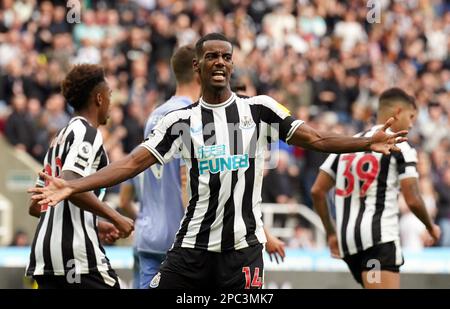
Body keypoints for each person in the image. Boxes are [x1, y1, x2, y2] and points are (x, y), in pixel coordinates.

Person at [30, 33, 408, 289]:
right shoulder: (179, 121)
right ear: (197, 66)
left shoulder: (260, 110)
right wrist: (73, 184)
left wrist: (364, 141)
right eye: (211, 56)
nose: (220, 63)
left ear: (232, 64)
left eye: (226, 57)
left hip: (243, 250)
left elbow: (318, 138)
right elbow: (132, 163)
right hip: (192, 248)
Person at [119, 45, 286, 289]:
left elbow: (134, 166)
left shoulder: (156, 115)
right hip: (186, 242)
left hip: (147, 236)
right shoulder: (192, 117)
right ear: (199, 72)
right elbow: (191, 183)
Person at [311, 88, 441, 289]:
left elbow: (317, 191)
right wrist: (430, 226)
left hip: (349, 244)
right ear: (398, 112)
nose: (412, 123)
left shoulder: (349, 143)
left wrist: (330, 232)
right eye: (411, 116)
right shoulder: (400, 145)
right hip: (377, 241)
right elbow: (413, 198)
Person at [26, 64, 134, 289]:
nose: (110, 103)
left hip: (44, 256)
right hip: (76, 256)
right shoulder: (87, 132)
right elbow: (71, 184)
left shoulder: (59, 137)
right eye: (109, 95)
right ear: (99, 98)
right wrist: (116, 218)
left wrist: (94, 223)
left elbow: (36, 206)